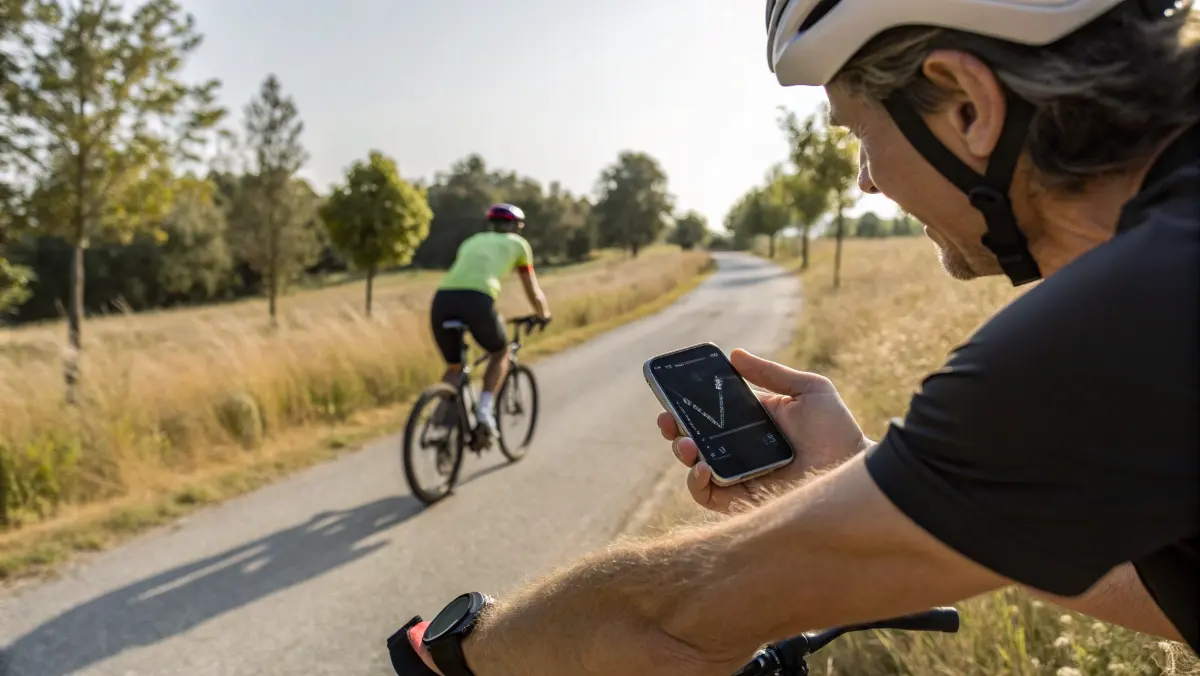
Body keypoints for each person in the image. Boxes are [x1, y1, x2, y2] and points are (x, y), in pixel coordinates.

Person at [397, 1, 1197, 673]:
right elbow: (1176, 593)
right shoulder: (1160, 281)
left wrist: (457, 649)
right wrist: (858, 477)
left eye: (857, 130)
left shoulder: (1110, 328)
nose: (865, 179)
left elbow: (669, 618)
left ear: (965, 103)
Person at [430, 204, 550, 437]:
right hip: (476, 300)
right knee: (500, 352)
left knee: (455, 367)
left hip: (441, 301)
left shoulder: (472, 241)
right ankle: (484, 413)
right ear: (516, 226)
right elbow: (532, 290)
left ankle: (440, 422)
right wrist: (543, 313)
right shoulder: (518, 244)